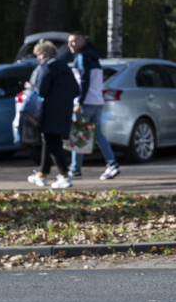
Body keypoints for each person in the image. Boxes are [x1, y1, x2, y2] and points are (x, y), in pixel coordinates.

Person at [66, 32, 121, 181]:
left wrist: (79, 102)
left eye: (74, 41)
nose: (70, 45)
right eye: (69, 42)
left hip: (86, 103)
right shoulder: (94, 58)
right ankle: (112, 164)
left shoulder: (82, 58)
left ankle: (75, 170)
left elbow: (84, 81)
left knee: (78, 135)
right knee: (97, 135)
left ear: (82, 42)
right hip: (97, 102)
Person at [27, 40, 79, 188]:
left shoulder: (47, 67)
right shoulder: (65, 68)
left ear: (43, 54)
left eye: (38, 55)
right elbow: (76, 90)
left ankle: (64, 175)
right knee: (49, 140)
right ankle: (42, 174)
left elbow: (42, 90)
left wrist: (32, 87)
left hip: (50, 110)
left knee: (53, 143)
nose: (38, 58)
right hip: (65, 109)